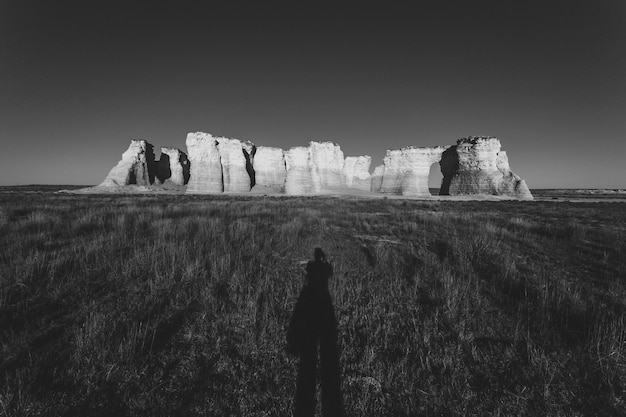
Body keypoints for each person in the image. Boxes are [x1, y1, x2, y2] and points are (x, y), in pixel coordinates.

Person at [287, 248, 344, 417]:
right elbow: (330, 272)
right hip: (322, 301)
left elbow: (322, 272)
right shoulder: (321, 267)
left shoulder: (311, 267)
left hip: (314, 302)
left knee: (309, 364)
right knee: (325, 360)